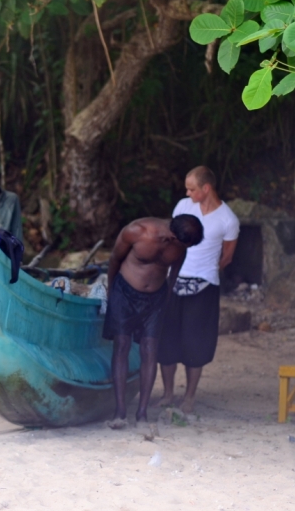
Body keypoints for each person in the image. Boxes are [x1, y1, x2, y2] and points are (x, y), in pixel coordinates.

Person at [104, 214, 204, 430]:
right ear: (172, 236)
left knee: (150, 350)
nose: (186, 249)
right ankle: (120, 411)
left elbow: (174, 273)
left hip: (156, 298)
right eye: (184, 244)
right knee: (121, 345)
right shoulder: (137, 231)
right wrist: (111, 293)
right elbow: (114, 259)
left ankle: (142, 413)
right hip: (124, 293)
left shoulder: (180, 246)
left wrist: (166, 299)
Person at [158, 166, 240, 414]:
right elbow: (170, 239)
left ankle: (190, 397)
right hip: (174, 281)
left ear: (206, 188)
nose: (187, 192)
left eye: (192, 188)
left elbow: (226, 257)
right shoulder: (183, 206)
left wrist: (204, 271)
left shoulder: (228, 219)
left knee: (196, 342)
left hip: (204, 286)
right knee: (167, 339)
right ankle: (168, 393)